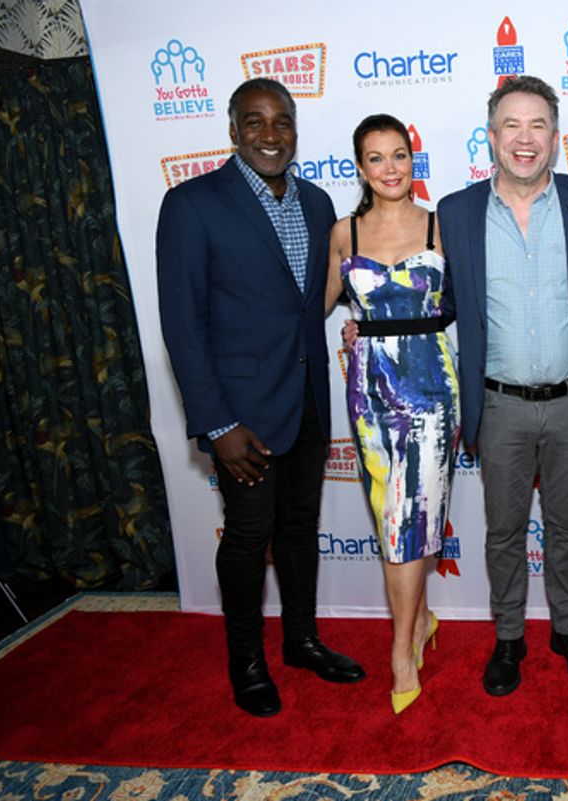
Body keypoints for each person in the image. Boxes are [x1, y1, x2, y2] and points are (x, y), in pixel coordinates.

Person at [156, 77, 364, 718]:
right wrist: (217, 423)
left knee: (300, 529)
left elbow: (316, 300)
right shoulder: (191, 204)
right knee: (249, 537)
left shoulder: (317, 203)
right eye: (255, 121)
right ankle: (245, 660)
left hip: (307, 401)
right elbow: (183, 325)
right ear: (233, 130)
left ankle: (302, 640)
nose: (270, 135)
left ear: (295, 131)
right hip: (242, 415)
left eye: (282, 122)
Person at [438, 75, 568, 696]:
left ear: (556, 137)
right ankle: (509, 637)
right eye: (511, 125)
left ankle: (567, 630)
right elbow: (441, 300)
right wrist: (374, 325)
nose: (525, 137)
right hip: (499, 406)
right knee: (504, 532)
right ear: (491, 137)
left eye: (538, 125)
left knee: (567, 528)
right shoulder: (456, 212)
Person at [326, 114, 459, 715]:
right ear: (360, 168)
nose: (390, 168)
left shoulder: (439, 224)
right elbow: (314, 307)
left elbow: (466, 302)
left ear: (413, 159)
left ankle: (401, 651)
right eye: (376, 158)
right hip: (369, 394)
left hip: (431, 389)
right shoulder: (344, 232)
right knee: (392, 516)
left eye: (399, 155)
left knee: (409, 520)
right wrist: (353, 330)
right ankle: (422, 618)